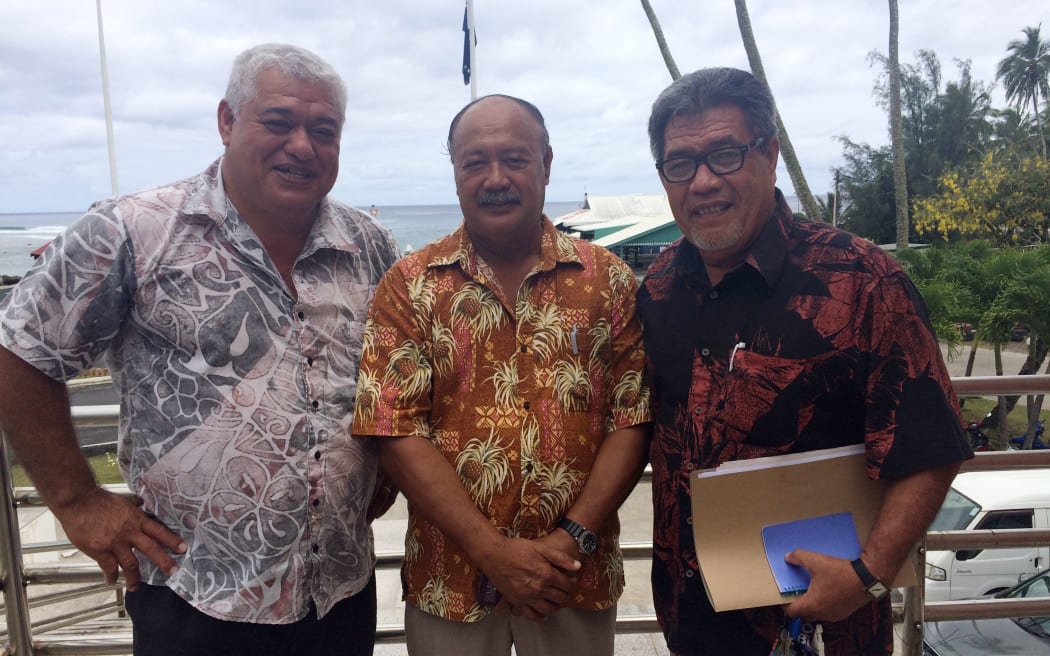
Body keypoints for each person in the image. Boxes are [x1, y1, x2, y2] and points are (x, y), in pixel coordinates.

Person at [0, 43, 400, 656]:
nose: (302, 145)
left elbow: (390, 368)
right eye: (278, 121)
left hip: (339, 589)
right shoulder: (133, 231)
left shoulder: (368, 244)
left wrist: (385, 469)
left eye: (324, 130)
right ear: (226, 121)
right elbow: (19, 349)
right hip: (197, 596)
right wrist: (77, 500)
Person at [636, 67, 973, 656]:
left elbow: (932, 448)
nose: (704, 182)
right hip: (692, 620)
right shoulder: (660, 284)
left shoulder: (862, 280)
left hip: (823, 625)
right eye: (681, 164)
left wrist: (868, 575)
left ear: (768, 154)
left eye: (725, 155)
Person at [351, 94, 651, 656]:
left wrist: (571, 539)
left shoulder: (607, 281)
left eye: (514, 159)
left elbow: (632, 417)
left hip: (574, 577)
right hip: (451, 582)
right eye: (474, 162)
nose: (495, 179)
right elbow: (392, 428)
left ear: (546, 163)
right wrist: (490, 551)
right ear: (455, 172)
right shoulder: (409, 284)